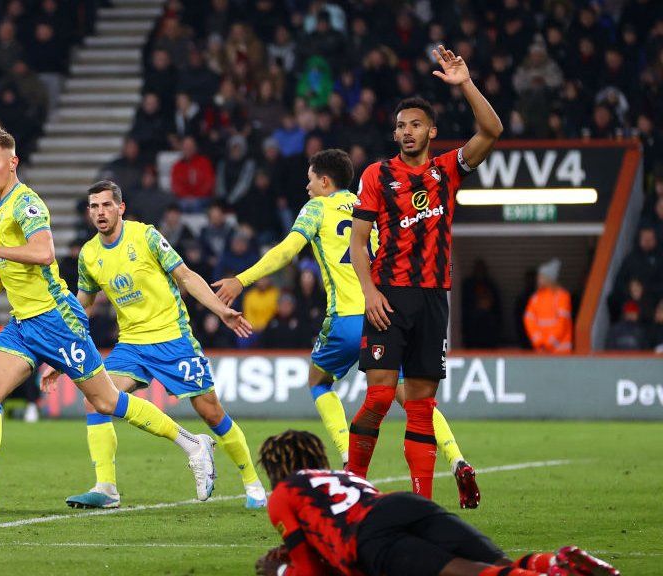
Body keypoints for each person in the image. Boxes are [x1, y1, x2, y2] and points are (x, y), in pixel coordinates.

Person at [0, 130, 217, 517]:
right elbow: (17, 268)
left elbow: (44, 252)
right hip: (23, 323)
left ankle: (191, 443)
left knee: (105, 400)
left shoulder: (26, 202)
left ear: (12, 162)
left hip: (55, 319)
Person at [215, 150, 479, 508]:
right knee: (414, 398)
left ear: (326, 182)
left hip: (346, 319)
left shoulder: (317, 209)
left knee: (318, 381)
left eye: (310, 180)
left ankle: (345, 457)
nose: (306, 187)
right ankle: (457, 458)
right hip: (384, 314)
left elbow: (287, 250)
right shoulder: (368, 201)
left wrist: (241, 280)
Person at [41, 180, 264, 509]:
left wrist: (220, 311)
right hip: (131, 343)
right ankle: (106, 487)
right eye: (94, 207)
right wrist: (60, 355)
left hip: (173, 338)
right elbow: (82, 304)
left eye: (106, 205)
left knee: (211, 412)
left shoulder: (145, 237)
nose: (100, 212)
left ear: (121, 208)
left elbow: (185, 276)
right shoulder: (89, 254)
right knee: (97, 400)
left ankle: (253, 484)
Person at [348, 45, 502, 500]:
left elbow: (492, 130)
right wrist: (369, 291)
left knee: (420, 407)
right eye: (400, 126)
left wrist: (465, 84)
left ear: (432, 130)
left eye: (415, 124)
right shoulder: (378, 174)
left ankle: (421, 505)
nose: (406, 132)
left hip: (434, 297)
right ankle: (354, 489)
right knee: (378, 398)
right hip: (389, 296)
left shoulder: (446, 170)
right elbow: (358, 242)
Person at [254, 430, 619, 576]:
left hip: (368, 537)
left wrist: (281, 571)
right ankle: (553, 562)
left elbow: (311, 571)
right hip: (404, 505)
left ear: (275, 469)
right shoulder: (345, 476)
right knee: (498, 565)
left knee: (462, 572)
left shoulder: (285, 493)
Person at [523, 258, 573, 354]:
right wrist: (539, 342)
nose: (538, 279)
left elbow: (562, 322)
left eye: (541, 276)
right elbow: (529, 320)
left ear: (549, 278)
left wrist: (547, 344)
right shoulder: (536, 298)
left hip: (560, 351)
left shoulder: (562, 296)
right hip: (542, 350)